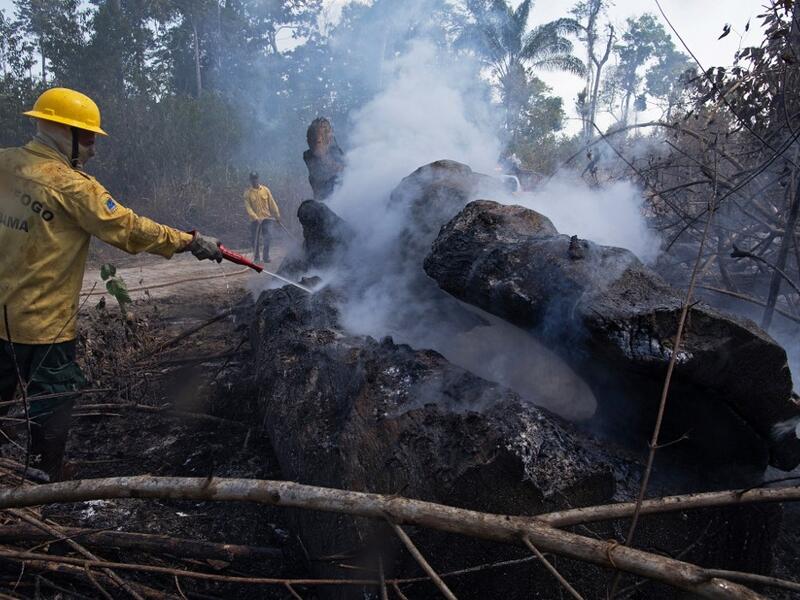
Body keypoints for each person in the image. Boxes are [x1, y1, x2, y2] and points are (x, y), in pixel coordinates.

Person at [0, 87, 224, 481]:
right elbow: (130, 230)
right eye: (87, 138)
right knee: (54, 396)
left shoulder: (4, 164)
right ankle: (43, 477)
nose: (92, 149)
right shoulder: (74, 187)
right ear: (61, 131)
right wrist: (189, 241)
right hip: (43, 324)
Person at [244, 172, 281, 262]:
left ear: (258, 179)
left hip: (267, 219)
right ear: (250, 180)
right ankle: (256, 258)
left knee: (267, 237)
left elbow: (272, 203)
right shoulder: (247, 193)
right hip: (255, 221)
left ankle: (266, 257)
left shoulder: (265, 190)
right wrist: (256, 217)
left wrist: (277, 215)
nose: (254, 180)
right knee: (255, 240)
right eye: (253, 179)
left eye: (256, 178)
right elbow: (248, 208)